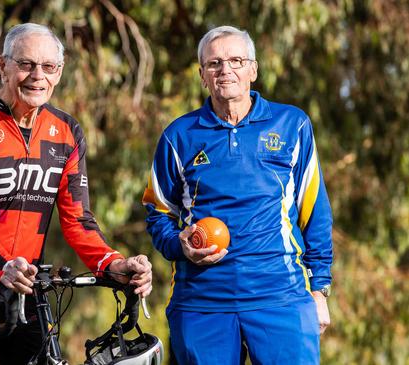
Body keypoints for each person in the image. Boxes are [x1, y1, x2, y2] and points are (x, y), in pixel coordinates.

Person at [0, 23, 153, 365]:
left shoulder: (67, 132)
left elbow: (79, 221)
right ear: (3, 66)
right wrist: (3, 268)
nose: (37, 76)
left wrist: (112, 263)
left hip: (23, 283)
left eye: (49, 67)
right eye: (26, 64)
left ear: (59, 72)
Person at [142, 25, 332, 364]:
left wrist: (319, 288)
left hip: (282, 298)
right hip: (201, 303)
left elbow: (314, 211)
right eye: (214, 63)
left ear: (253, 70)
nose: (225, 69)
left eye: (235, 60)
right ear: (202, 75)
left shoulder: (293, 124)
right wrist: (179, 245)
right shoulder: (178, 136)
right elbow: (158, 213)